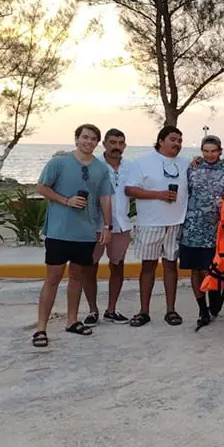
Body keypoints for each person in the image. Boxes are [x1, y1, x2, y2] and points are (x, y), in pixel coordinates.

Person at [32, 124, 113, 347]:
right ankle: (41, 328)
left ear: (97, 143)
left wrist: (107, 226)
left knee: (77, 277)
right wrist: (66, 200)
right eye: (85, 137)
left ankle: (72, 320)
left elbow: (105, 197)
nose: (89, 142)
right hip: (59, 231)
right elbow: (41, 187)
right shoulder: (59, 162)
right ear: (76, 139)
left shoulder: (101, 169)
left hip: (86, 233)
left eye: (93, 138)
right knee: (53, 278)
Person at [124, 125, 190, 327]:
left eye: (179, 140)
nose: (177, 144)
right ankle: (144, 311)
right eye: (172, 139)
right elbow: (129, 189)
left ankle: (171, 310)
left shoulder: (186, 163)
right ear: (161, 140)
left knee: (171, 266)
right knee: (148, 267)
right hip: (149, 224)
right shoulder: (143, 162)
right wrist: (158, 195)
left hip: (176, 222)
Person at [181, 135, 224, 328]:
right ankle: (202, 309)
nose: (209, 155)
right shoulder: (193, 168)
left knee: (215, 268)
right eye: (205, 151)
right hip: (192, 227)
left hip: (218, 230)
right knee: (196, 270)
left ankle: (215, 300)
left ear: (220, 151)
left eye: (213, 151)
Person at [82, 128, 133, 326]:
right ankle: (92, 310)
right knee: (89, 267)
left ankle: (111, 310)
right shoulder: (93, 166)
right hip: (94, 225)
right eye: (112, 143)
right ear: (104, 144)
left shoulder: (131, 166)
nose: (116, 147)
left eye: (120, 143)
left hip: (122, 224)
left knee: (117, 266)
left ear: (125, 146)